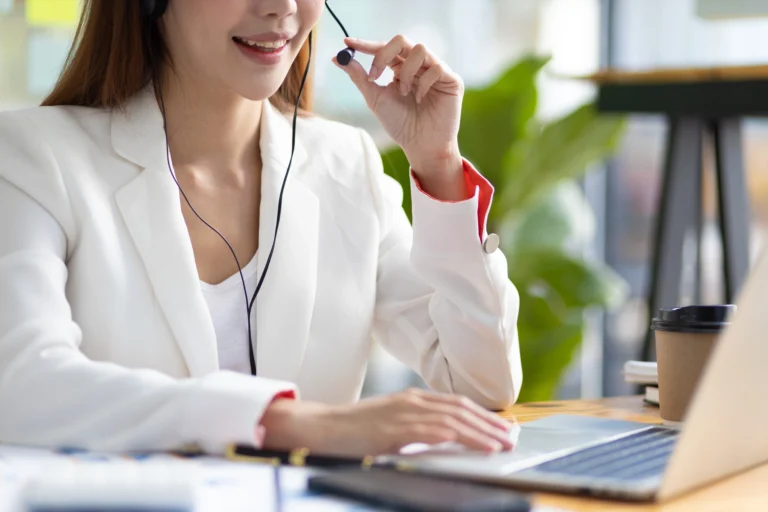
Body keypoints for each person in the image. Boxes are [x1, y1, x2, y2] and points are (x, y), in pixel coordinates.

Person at [0, 0, 522, 457]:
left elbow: (480, 383)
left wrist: (438, 163)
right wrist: (284, 422)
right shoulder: (34, 157)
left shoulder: (347, 165)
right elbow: (22, 385)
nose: (280, 7)